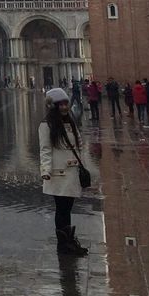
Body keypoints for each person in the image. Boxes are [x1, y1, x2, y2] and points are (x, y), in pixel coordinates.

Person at [38, 88, 90, 256]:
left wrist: (82, 165)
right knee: (61, 209)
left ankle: (69, 241)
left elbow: (80, 145)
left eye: (66, 103)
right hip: (58, 173)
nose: (64, 107)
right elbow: (45, 149)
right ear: (53, 106)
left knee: (67, 208)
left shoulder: (71, 122)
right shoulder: (47, 125)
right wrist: (45, 171)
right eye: (60, 104)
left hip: (72, 171)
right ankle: (64, 244)